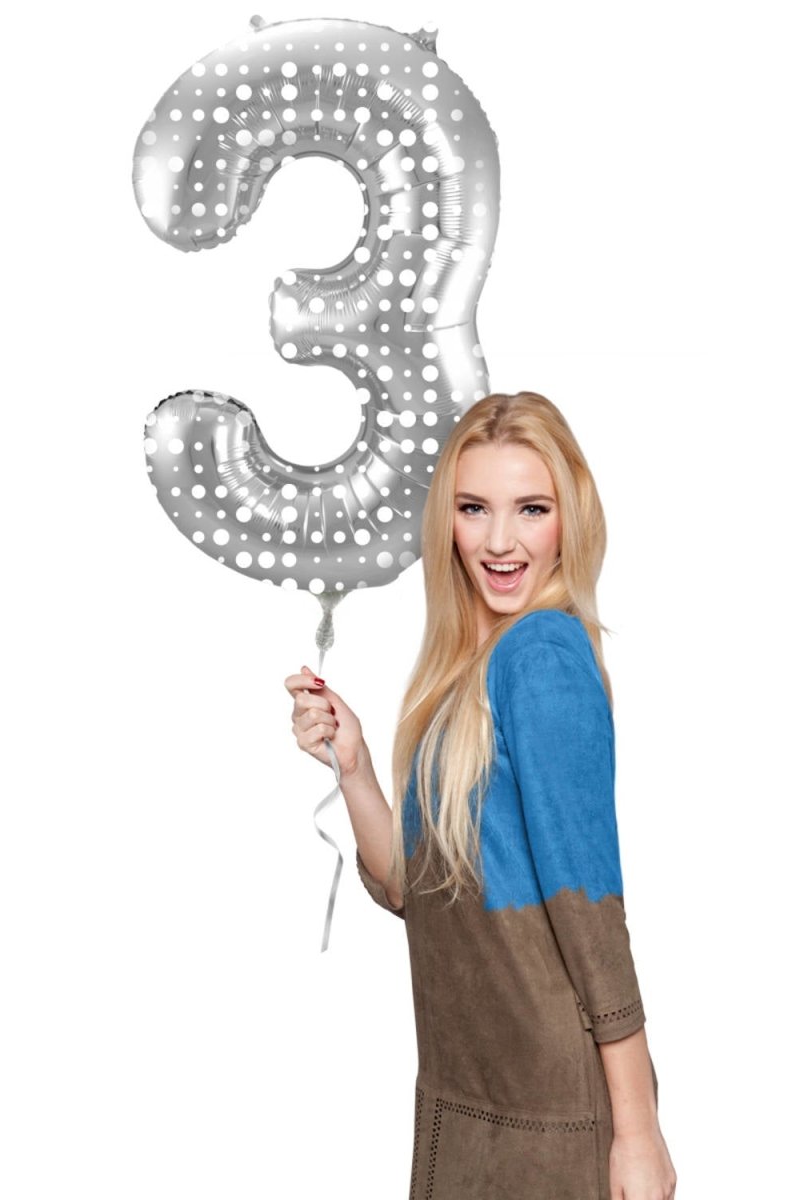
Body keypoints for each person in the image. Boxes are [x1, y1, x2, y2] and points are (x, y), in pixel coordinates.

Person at [285, 391, 676, 1200]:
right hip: (469, 1101)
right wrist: (354, 766)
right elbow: (414, 891)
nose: (500, 541)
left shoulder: (541, 658)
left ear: (569, 518)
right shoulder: (466, 674)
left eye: (531, 509)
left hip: (542, 1117)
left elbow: (590, 910)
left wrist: (637, 1131)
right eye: (474, 509)